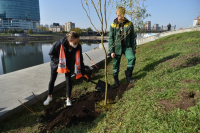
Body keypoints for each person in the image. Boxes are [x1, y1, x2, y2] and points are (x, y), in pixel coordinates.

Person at [43, 31, 89, 106]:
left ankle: (68, 99)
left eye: (78, 42)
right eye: (75, 43)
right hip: (56, 64)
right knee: (52, 79)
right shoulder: (59, 43)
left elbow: (80, 60)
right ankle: (49, 96)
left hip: (69, 64)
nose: (76, 44)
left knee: (68, 80)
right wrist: (60, 64)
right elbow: (51, 54)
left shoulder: (78, 46)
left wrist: (83, 73)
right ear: (69, 41)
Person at [109, 6, 136, 88]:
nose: (119, 17)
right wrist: (111, 51)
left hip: (127, 47)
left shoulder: (129, 24)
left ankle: (128, 75)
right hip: (117, 48)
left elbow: (132, 37)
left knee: (132, 58)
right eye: (118, 15)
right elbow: (111, 38)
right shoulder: (113, 25)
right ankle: (116, 80)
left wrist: (134, 47)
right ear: (116, 14)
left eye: (121, 15)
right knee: (116, 63)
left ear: (124, 14)